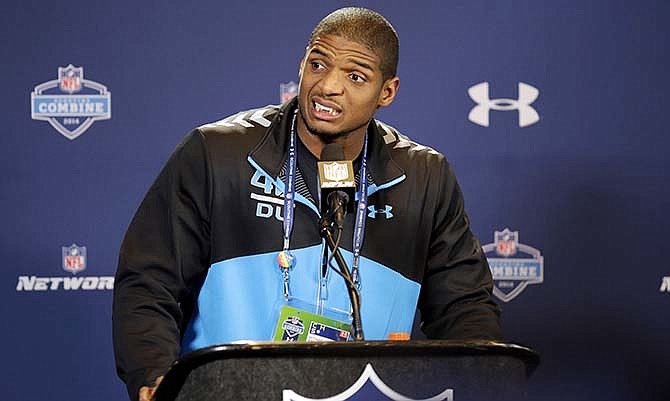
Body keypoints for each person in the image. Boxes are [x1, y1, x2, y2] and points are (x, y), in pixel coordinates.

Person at [113, 7, 501, 401]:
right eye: (318, 64)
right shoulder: (217, 154)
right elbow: (150, 280)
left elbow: (464, 306)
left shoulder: (425, 178)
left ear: (387, 91)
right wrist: (154, 376)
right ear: (301, 65)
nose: (329, 86)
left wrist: (484, 380)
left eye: (355, 76)